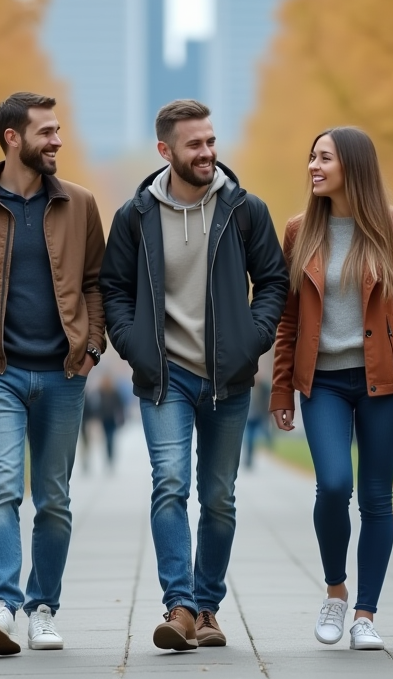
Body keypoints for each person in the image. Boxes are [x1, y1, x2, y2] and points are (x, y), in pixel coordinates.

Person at [100, 99, 288, 651]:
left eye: (210, 141)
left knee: (220, 497)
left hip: (229, 379)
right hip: (166, 377)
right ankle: (179, 606)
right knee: (170, 486)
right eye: (195, 144)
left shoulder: (245, 209)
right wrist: (135, 347)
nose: (207, 152)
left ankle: (208, 607)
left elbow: (273, 281)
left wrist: (251, 340)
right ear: (166, 151)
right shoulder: (135, 215)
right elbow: (113, 289)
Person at [0, 91, 106, 656]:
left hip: (64, 373)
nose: (57, 141)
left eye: (58, 132)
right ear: (13, 138)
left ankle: (43, 608)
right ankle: (3, 605)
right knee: (3, 485)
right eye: (47, 132)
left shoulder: (80, 204)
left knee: (54, 497)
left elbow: (96, 285)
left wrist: (92, 349)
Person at [270, 126, 393, 650]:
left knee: (375, 498)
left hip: (383, 382)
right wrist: (281, 388)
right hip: (321, 382)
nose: (313, 167)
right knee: (335, 484)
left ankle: (366, 613)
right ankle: (335, 589)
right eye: (311, 157)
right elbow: (288, 318)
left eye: (323, 158)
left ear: (353, 166)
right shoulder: (301, 231)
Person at [84, 371, 127, 470]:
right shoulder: (100, 391)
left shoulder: (114, 391)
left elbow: (120, 405)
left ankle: (110, 457)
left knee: (110, 438)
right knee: (107, 438)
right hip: (104, 418)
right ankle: (108, 457)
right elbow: (96, 405)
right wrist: (96, 416)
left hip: (112, 418)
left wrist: (121, 417)